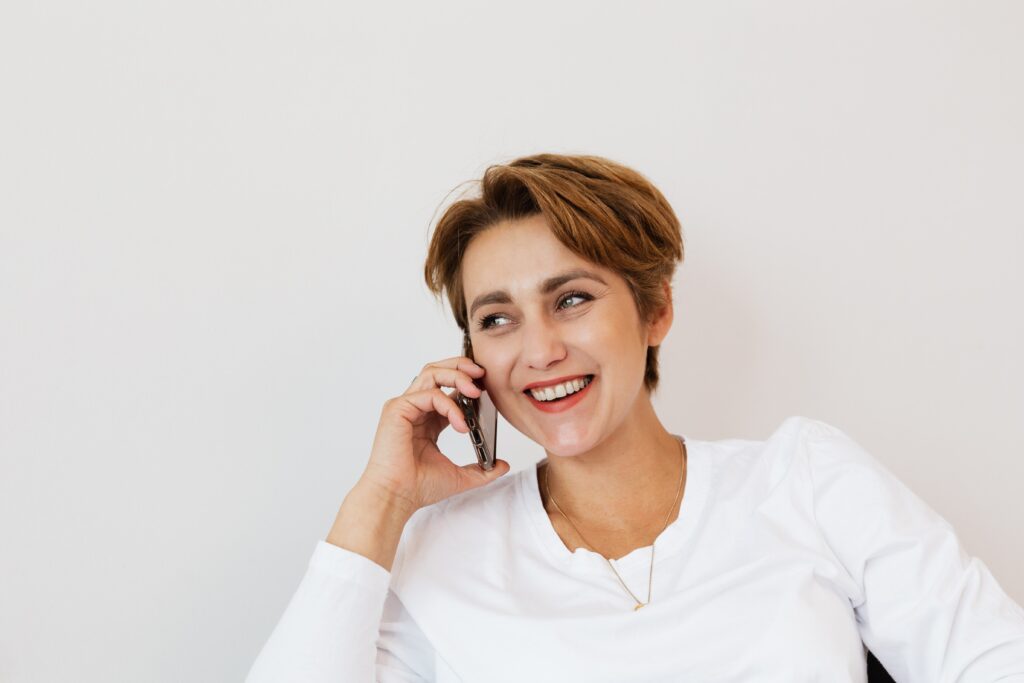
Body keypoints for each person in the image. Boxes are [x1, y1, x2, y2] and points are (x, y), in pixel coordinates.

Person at [246, 154, 1024, 682]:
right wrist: (382, 499)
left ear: (655, 310)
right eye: (498, 318)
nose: (540, 350)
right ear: (471, 356)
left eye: (571, 299)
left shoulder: (806, 479)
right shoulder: (442, 551)